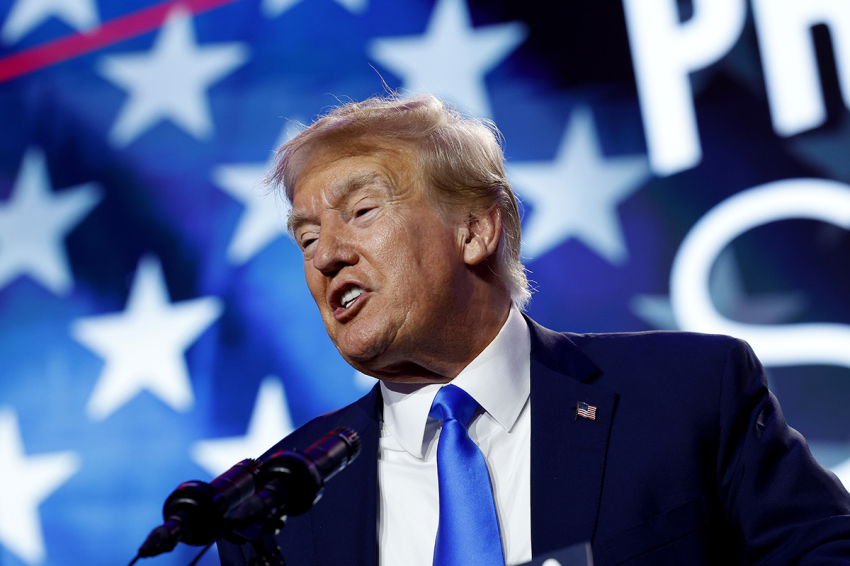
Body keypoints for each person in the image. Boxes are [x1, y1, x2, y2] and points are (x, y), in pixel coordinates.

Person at [217, 94, 850, 566]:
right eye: (306, 237)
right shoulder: (278, 501)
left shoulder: (688, 394)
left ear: (474, 229)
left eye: (361, 211)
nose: (326, 254)